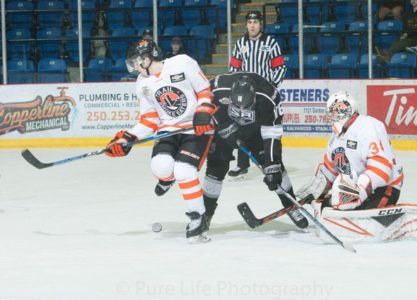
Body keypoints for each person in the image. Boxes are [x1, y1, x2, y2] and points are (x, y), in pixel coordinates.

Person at [105, 39, 216, 243]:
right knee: (161, 167)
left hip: (195, 127)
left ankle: (197, 217)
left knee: (184, 171)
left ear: (147, 58)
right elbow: (149, 120)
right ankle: (167, 179)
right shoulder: (142, 82)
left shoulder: (181, 62)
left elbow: (204, 90)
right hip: (168, 131)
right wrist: (128, 138)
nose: (134, 65)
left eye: (136, 61)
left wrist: (203, 111)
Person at [198, 72, 308, 229]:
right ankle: (206, 214)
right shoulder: (219, 86)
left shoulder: (269, 97)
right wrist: (221, 123)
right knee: (216, 167)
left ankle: (291, 205)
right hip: (226, 126)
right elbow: (202, 98)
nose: (242, 112)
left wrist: (272, 165)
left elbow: (272, 134)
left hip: (255, 130)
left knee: (275, 170)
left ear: (254, 97)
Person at [295, 91, 404, 211]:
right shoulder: (335, 137)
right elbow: (330, 171)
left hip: (384, 188)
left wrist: (359, 191)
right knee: (326, 206)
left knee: (353, 210)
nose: (334, 115)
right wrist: (317, 189)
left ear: (348, 108)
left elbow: (382, 169)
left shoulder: (368, 126)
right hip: (354, 189)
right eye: (332, 112)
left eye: (337, 110)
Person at [227, 10, 287, 178]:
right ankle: (242, 165)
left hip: (265, 94)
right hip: (247, 95)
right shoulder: (240, 44)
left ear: (261, 24)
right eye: (249, 22)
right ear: (246, 24)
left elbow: (280, 67)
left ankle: (276, 162)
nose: (252, 25)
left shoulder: (271, 43)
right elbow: (233, 69)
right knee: (243, 128)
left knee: (271, 129)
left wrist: (272, 87)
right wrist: (237, 89)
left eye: (255, 22)